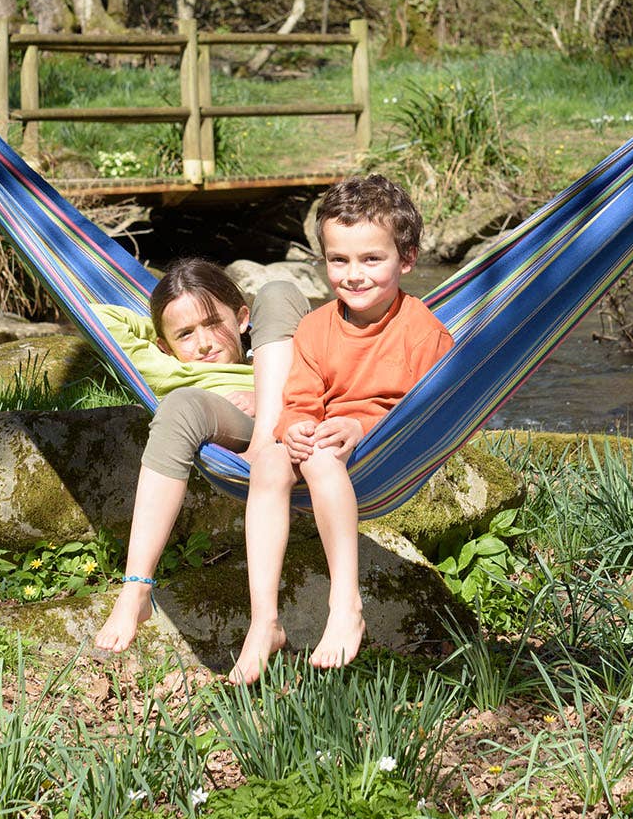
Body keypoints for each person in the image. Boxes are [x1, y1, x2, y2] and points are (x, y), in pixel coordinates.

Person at [230, 175, 452, 682]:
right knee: (268, 463)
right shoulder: (314, 327)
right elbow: (299, 400)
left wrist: (361, 426)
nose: (354, 275)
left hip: (383, 446)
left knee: (320, 457)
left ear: (407, 259)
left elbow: (432, 413)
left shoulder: (424, 333)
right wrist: (294, 427)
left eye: (371, 259)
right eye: (339, 260)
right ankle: (264, 621)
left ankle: (345, 603)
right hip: (323, 438)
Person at [92, 259, 308, 653]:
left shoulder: (272, 349)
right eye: (186, 334)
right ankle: (136, 589)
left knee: (278, 290)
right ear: (164, 345)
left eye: (213, 323)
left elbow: (300, 327)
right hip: (225, 422)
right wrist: (165, 329)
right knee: (179, 404)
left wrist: (263, 394)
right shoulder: (167, 366)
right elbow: (97, 316)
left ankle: (265, 431)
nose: (204, 343)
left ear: (242, 318)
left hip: (292, 412)